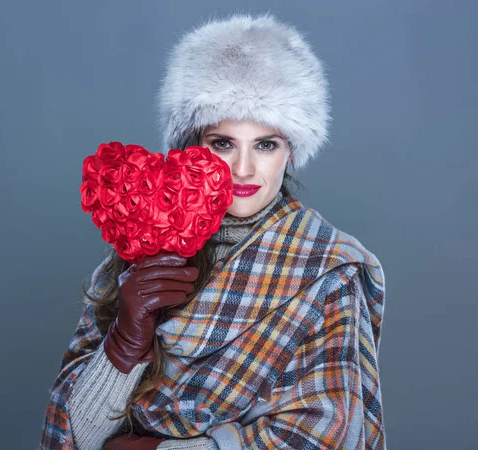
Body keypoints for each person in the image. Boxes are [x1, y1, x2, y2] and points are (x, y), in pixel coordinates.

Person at [40, 13, 386, 450]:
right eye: (223, 143)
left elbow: (326, 435)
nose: (243, 168)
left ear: (292, 152)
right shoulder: (140, 248)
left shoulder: (327, 270)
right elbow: (77, 436)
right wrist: (123, 345)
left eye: (266, 144)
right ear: (190, 148)